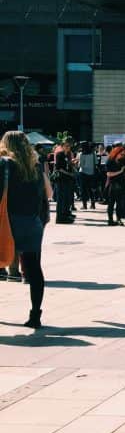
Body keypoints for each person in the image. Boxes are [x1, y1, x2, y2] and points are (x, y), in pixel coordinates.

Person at [1, 131, 50, 328]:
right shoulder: (35, 166)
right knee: (34, 269)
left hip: (8, 223)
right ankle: (35, 315)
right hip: (31, 223)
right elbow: (44, 195)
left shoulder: (4, 163)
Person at [105, 146, 125, 225]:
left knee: (120, 203)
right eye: (121, 153)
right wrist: (120, 171)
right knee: (111, 203)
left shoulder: (123, 160)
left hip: (121, 183)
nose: (123, 154)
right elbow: (109, 174)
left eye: (123, 153)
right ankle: (110, 220)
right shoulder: (110, 161)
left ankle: (118, 219)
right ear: (116, 153)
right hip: (112, 184)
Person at [52, 139, 76, 223]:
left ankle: (66, 215)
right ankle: (60, 218)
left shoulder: (68, 155)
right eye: (66, 146)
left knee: (67, 198)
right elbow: (59, 168)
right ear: (62, 147)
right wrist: (69, 174)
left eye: (69, 146)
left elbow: (67, 165)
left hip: (67, 179)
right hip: (61, 179)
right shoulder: (60, 154)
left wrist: (72, 163)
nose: (68, 147)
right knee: (61, 199)